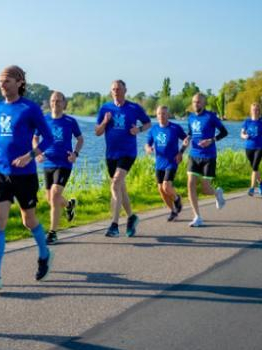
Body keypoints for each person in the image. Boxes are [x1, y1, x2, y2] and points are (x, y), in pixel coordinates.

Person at [0, 65, 55, 290]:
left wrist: (30, 156)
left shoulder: (30, 109)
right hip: (2, 172)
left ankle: (45, 254)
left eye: (7, 80)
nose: (2, 84)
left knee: (28, 220)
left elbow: (48, 139)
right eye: (0, 81)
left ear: (19, 82)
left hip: (25, 175)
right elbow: (3, 138)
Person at [94, 80, 151, 237]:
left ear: (125, 90)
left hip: (128, 152)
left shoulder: (134, 108)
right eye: (113, 89)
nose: (116, 92)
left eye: (119, 89)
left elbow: (148, 123)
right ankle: (131, 217)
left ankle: (114, 225)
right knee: (120, 188)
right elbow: (97, 132)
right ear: (110, 91)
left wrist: (138, 129)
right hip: (111, 154)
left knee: (115, 185)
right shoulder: (105, 108)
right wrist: (105, 122)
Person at [33, 91, 84, 244]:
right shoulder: (44, 120)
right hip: (48, 162)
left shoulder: (70, 121)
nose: (55, 103)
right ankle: (69, 205)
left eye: (58, 101)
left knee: (55, 194)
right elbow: (35, 138)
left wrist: (75, 154)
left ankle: (53, 232)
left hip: (64, 162)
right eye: (53, 100)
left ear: (64, 103)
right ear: (50, 103)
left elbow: (80, 139)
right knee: (50, 198)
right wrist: (37, 153)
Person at [185, 93, 229, 228]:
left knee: (205, 189)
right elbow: (191, 133)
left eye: (198, 102)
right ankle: (197, 217)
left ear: (204, 103)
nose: (195, 104)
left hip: (209, 156)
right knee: (190, 183)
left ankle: (217, 193)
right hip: (194, 154)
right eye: (194, 102)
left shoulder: (211, 117)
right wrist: (187, 139)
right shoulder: (190, 117)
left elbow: (224, 132)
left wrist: (211, 140)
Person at [144, 105, 188, 222]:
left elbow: (186, 139)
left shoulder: (175, 128)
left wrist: (181, 152)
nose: (161, 116)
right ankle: (173, 210)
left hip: (172, 161)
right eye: (159, 114)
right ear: (156, 115)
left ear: (168, 115)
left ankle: (177, 198)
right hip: (159, 163)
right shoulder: (153, 129)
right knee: (161, 190)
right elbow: (147, 144)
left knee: (166, 186)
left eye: (163, 113)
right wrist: (148, 148)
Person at [241, 102, 262, 196]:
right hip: (249, 147)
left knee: (254, 167)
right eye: (254, 109)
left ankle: (252, 188)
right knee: (255, 168)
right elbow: (241, 134)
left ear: (259, 111)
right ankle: (261, 183)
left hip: (260, 147)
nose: (255, 111)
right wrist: (245, 136)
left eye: (257, 109)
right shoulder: (247, 121)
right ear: (251, 111)